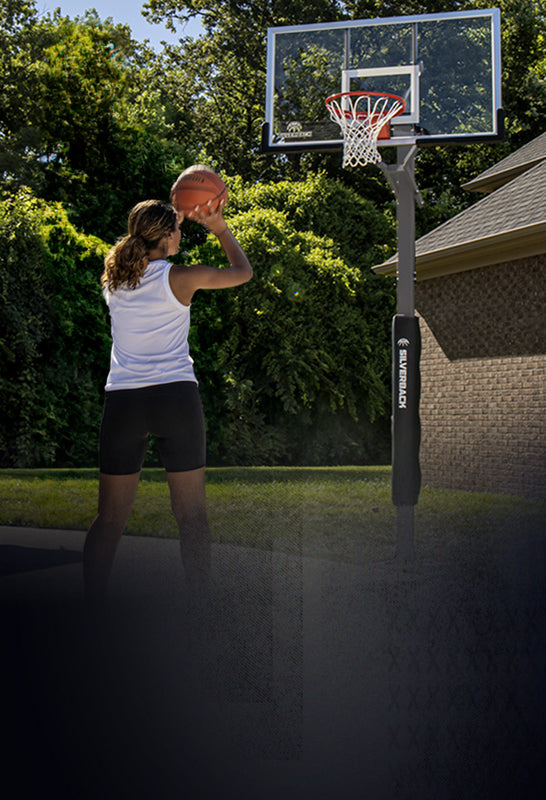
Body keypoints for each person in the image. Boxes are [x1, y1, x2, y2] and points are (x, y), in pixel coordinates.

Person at [83, 189, 253, 607]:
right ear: (165, 236)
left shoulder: (114, 282)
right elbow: (242, 271)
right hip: (174, 399)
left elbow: (134, 269)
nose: (182, 233)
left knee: (109, 519)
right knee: (191, 515)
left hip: (124, 403)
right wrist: (218, 226)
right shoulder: (181, 277)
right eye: (177, 227)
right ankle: (200, 607)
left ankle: (90, 607)